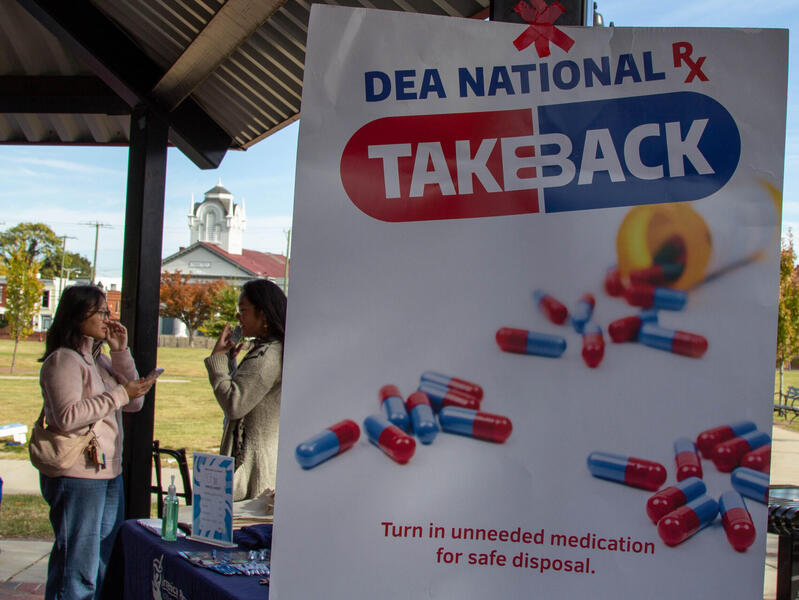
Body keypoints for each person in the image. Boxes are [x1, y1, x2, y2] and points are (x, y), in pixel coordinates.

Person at [37, 285, 154, 600]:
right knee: (77, 567)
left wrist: (120, 352)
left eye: (107, 311)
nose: (108, 317)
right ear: (78, 315)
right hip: (78, 475)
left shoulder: (98, 360)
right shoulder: (64, 360)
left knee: (101, 563)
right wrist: (119, 394)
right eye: (101, 311)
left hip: (107, 473)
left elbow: (134, 403)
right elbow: (67, 416)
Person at [205, 279, 286, 501]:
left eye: (243, 311)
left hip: (253, 469)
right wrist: (232, 365)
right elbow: (250, 394)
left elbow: (235, 404)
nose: (238, 317)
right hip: (257, 461)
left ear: (264, 315)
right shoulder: (269, 350)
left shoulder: (267, 356)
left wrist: (217, 361)